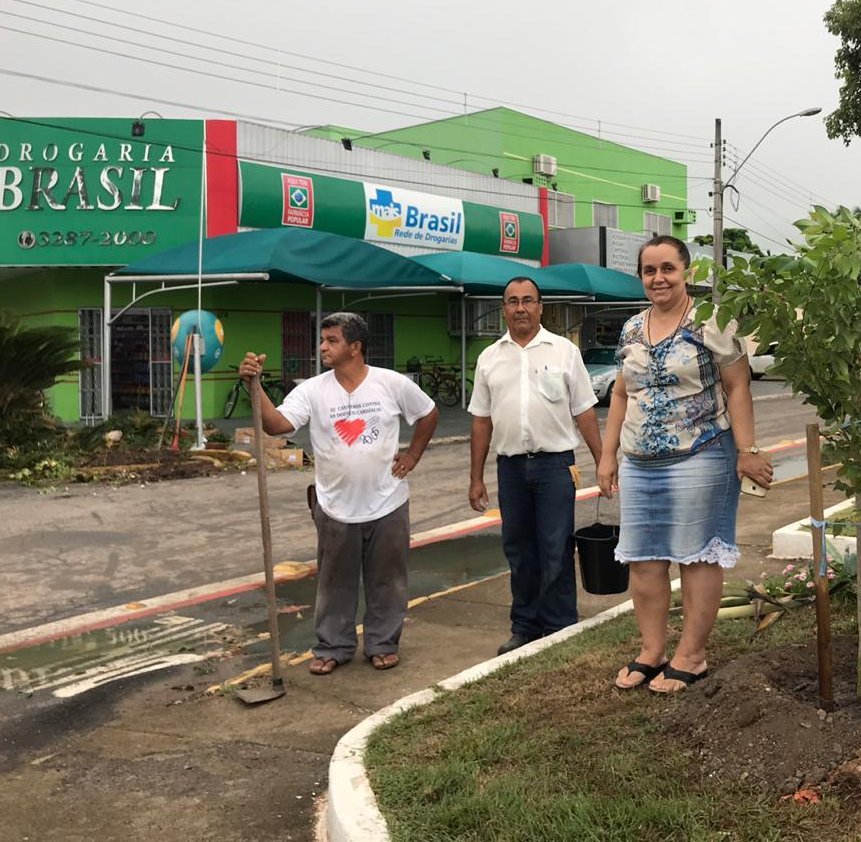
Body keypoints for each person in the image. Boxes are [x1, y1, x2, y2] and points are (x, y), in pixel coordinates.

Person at [597, 235, 773, 693]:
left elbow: (737, 388)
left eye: (668, 269)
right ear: (640, 276)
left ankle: (691, 656)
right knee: (644, 559)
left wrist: (747, 451)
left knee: (696, 557)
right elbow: (620, 393)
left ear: (686, 272)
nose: (659, 278)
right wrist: (607, 454)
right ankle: (652, 651)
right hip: (639, 462)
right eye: (649, 271)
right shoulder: (632, 328)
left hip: (702, 454)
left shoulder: (711, 322)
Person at [239, 311, 439, 675]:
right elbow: (276, 424)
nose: (322, 347)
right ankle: (334, 646)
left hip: (387, 503)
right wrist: (255, 387)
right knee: (334, 583)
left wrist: (412, 455)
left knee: (388, 580)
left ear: (355, 347)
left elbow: (428, 413)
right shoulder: (313, 390)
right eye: (323, 339)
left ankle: (382, 643)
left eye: (332, 340)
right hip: (334, 506)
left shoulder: (390, 384)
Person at [468, 276, 603, 655]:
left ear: (541, 307)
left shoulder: (563, 351)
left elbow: (584, 410)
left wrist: (604, 460)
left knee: (556, 547)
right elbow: (481, 420)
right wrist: (475, 478)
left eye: (528, 300)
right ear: (504, 309)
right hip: (510, 468)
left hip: (555, 467)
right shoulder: (489, 357)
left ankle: (560, 627)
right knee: (519, 550)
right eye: (512, 301)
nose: (521, 308)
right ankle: (524, 626)